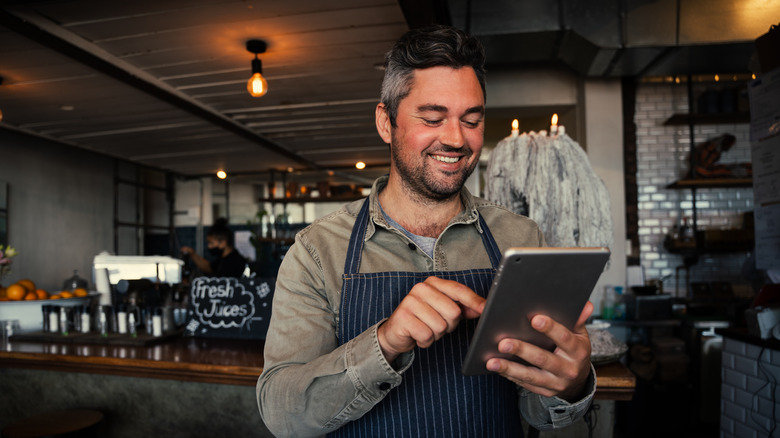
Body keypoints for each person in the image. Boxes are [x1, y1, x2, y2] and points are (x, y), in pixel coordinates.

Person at [257, 25, 595, 437]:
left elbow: (538, 411)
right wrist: (383, 343)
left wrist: (571, 383)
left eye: (471, 120)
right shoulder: (317, 252)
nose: (456, 139)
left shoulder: (520, 236)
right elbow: (281, 413)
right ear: (386, 122)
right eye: (433, 118)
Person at [180, 218, 247, 278]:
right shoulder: (222, 259)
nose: (209, 246)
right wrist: (192, 253)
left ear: (223, 243)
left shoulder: (234, 261)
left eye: (211, 243)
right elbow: (208, 267)